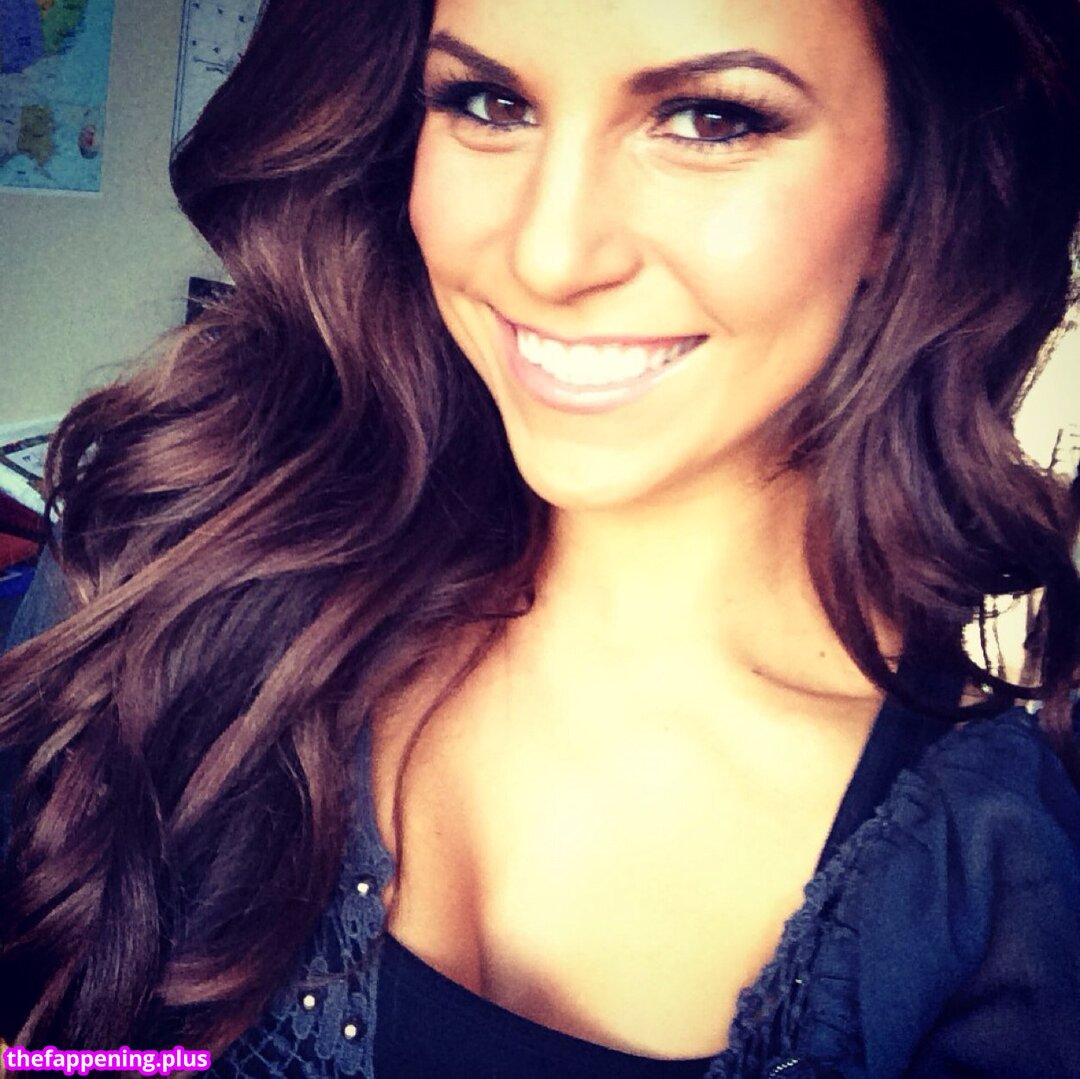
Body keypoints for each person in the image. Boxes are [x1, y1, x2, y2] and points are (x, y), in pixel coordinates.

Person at [1, 0, 1078, 1074]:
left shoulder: (992, 889)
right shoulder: (170, 561)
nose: (550, 255)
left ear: (913, 190)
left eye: (709, 119)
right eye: (489, 102)